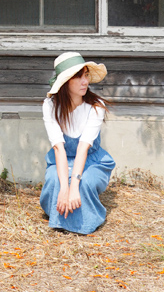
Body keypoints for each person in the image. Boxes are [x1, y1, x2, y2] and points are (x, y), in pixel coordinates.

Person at [39, 51, 115, 235]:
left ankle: (86, 221)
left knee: (84, 183)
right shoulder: (50, 105)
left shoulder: (95, 106)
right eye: (78, 77)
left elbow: (82, 148)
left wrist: (73, 187)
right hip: (63, 158)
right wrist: (64, 188)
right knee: (55, 181)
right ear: (65, 82)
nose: (85, 82)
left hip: (91, 160)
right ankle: (59, 210)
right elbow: (58, 148)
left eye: (86, 76)